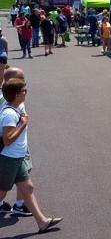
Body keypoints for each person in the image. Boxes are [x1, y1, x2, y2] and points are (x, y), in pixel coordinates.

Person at [0, 79, 63, 233]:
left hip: (17, 158)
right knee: (2, 191)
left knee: (27, 187)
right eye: (24, 91)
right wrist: (23, 124)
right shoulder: (9, 113)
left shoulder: (15, 107)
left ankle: (42, 222)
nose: (26, 92)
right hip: (8, 158)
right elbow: (7, 140)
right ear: (16, 95)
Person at [0, 67, 31, 216]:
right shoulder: (7, 103)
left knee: (27, 182)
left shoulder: (15, 96)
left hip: (19, 146)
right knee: (4, 187)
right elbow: (7, 137)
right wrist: (23, 123)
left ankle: (20, 206)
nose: (24, 83)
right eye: (21, 79)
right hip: (10, 150)